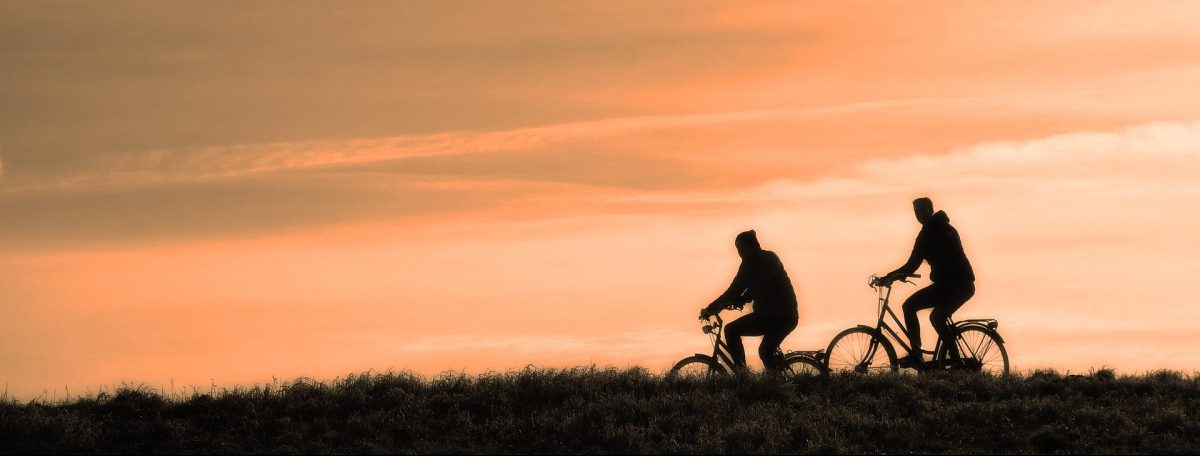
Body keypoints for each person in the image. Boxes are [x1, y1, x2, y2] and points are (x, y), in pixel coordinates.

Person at [881, 197, 975, 369]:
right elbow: (913, 264)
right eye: (916, 211)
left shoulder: (937, 231)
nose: (919, 214)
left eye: (922, 210)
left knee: (926, 313)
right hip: (950, 285)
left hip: (958, 285)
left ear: (931, 209)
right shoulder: (932, 231)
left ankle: (948, 360)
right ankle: (930, 356)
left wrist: (892, 276)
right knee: (923, 311)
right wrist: (894, 274)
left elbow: (913, 265)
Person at [699, 230, 799, 371]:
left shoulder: (764, 261)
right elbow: (755, 286)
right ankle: (748, 375)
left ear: (752, 246)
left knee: (764, 350)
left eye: (742, 247)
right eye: (737, 249)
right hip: (766, 316)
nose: (740, 252)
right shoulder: (760, 260)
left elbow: (736, 289)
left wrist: (711, 308)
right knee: (732, 330)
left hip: (783, 317)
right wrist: (739, 300)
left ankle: (755, 378)